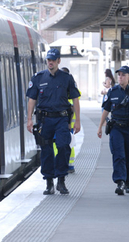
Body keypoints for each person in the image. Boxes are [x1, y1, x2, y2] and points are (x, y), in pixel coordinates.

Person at [26, 49, 81, 195]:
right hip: (44, 120)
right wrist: (29, 119)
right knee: (46, 151)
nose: (50, 62)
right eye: (48, 60)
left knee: (63, 146)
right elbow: (32, 99)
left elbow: (75, 99)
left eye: (53, 60)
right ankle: (49, 182)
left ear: (58, 61)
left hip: (62, 119)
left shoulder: (67, 78)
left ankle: (61, 180)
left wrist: (77, 121)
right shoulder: (38, 78)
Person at [97, 66, 129, 195]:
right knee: (118, 155)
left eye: (123, 75)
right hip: (116, 127)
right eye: (119, 75)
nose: (120, 77)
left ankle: (128, 181)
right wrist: (100, 126)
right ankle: (120, 182)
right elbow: (106, 110)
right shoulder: (112, 91)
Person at [53, 67, 80, 173]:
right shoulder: (71, 87)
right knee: (68, 144)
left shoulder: (65, 88)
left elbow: (72, 108)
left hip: (66, 123)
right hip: (66, 123)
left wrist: (70, 122)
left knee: (61, 144)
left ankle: (62, 165)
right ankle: (68, 165)